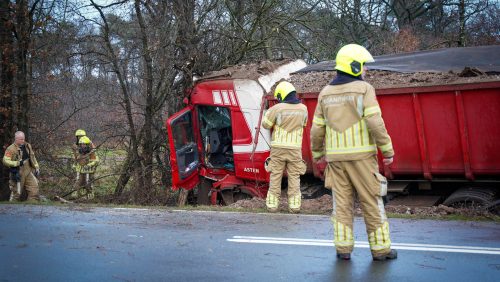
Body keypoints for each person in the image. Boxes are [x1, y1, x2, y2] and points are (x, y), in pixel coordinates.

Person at [310, 44, 397, 261]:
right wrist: (387, 149)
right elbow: (375, 122)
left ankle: (343, 249)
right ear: (355, 65)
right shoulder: (364, 89)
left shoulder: (325, 93)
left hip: (336, 160)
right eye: (364, 66)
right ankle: (381, 250)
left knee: (341, 204)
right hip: (362, 159)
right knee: (372, 202)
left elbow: (317, 128)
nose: (366, 70)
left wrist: (317, 153)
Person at [262, 81, 308, 213]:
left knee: (276, 175)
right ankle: (294, 207)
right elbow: (304, 124)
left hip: (278, 149)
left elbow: (266, 124)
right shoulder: (303, 109)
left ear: (282, 95)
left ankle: (272, 205)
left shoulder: (277, 108)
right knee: (294, 176)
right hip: (295, 149)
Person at [2, 131, 40, 201]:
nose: (23, 140)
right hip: (17, 172)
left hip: (28, 171)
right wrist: (17, 163)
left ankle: (32, 207)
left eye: (23, 139)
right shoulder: (10, 149)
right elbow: (5, 161)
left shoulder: (27, 146)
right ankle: (12, 208)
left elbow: (33, 157)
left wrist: (36, 167)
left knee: (34, 188)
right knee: (16, 193)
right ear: (16, 139)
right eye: (21, 139)